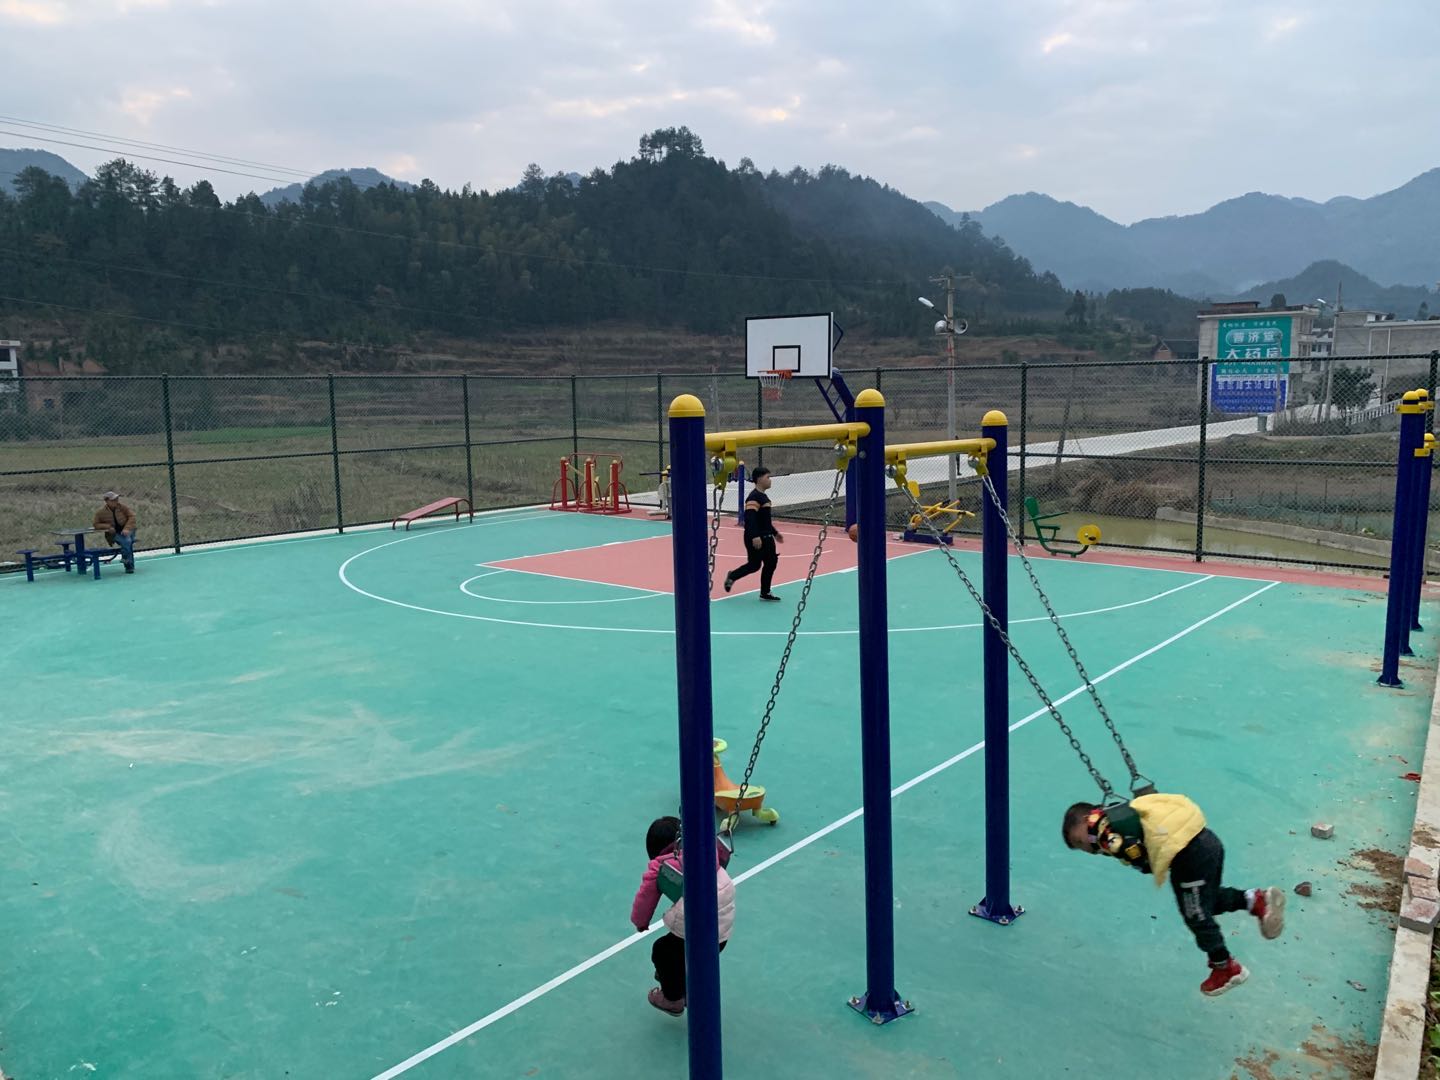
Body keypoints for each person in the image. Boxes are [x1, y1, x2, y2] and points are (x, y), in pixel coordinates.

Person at [1062, 793, 1284, 997]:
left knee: (1195, 914)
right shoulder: (1122, 812)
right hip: (1206, 841)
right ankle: (1255, 900)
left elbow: (1136, 855)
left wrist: (1136, 859)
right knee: (1204, 903)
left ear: (1087, 819)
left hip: (1190, 857)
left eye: (1080, 841)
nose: (1087, 849)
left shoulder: (1107, 834)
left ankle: (1225, 967)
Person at [630, 816, 736, 1016]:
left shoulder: (661, 865)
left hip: (697, 919)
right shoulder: (705, 847)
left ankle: (673, 999)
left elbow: (646, 897)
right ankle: (678, 982)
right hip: (723, 924)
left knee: (662, 951)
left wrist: (640, 922)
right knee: (684, 955)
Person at [722, 466, 783, 601]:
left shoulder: (763, 497)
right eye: (768, 477)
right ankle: (732, 576)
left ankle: (765, 592)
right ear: (760, 479)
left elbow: (764, 521)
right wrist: (755, 536)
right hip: (757, 537)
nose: (770, 480)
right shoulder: (754, 497)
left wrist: (775, 533)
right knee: (755, 565)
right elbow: (750, 518)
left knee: (771, 562)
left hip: (767, 537)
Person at [92, 491, 137, 573]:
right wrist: (108, 527)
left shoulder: (123, 507)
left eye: (117, 499)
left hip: (128, 530)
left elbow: (132, 517)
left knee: (127, 541)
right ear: (106, 501)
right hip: (114, 533)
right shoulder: (101, 512)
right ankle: (129, 565)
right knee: (127, 542)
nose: (116, 501)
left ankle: (127, 562)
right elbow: (96, 524)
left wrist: (127, 528)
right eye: (113, 500)